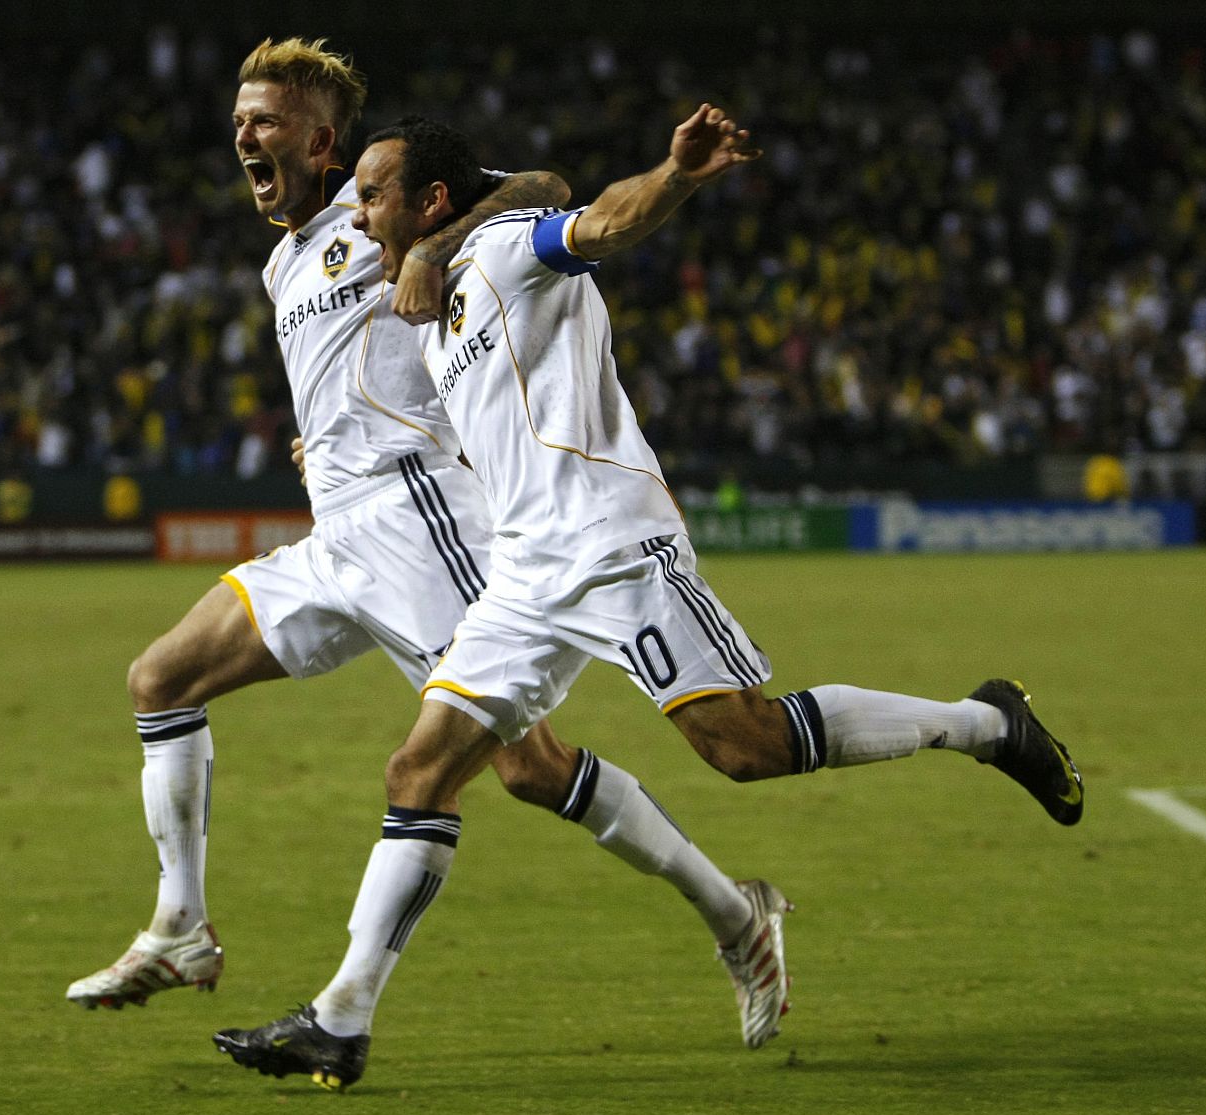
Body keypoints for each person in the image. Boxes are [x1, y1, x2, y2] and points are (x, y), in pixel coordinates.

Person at [214, 106, 1085, 1090]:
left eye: (371, 195)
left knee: (743, 748)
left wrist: (672, 179)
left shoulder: (504, 250)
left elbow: (594, 220)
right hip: (523, 577)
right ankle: (341, 1020)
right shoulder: (426, 308)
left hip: (610, 544)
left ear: (432, 201)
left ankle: (986, 724)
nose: (356, 215)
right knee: (419, 771)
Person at [66, 41, 776, 1042]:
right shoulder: (284, 259)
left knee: (524, 769)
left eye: (264, 120)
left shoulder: (394, 206)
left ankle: (735, 915)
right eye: (239, 120)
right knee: (161, 680)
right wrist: (319, 442)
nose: (244, 134)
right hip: (337, 536)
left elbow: (545, 184)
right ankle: (181, 925)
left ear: (321, 138)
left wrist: (435, 249)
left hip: (429, 524)